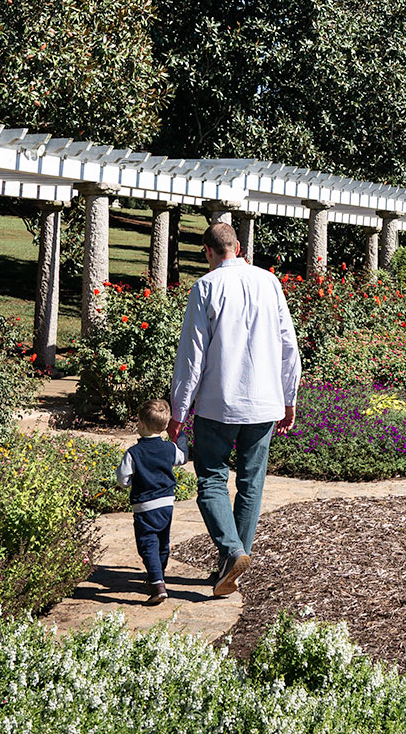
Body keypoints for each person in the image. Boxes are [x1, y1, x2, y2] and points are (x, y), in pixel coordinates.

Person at [170, 220, 300, 598]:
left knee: (211, 478)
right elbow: (288, 346)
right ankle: (232, 569)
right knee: (251, 484)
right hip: (264, 403)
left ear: (207, 251)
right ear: (239, 247)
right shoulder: (269, 282)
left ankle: (231, 553)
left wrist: (179, 412)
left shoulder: (205, 287)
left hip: (217, 403)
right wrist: (288, 398)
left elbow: (191, 357)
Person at [116, 397, 189, 606]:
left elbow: (123, 479)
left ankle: (157, 583)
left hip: (144, 505)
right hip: (167, 504)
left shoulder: (134, 453)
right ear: (165, 426)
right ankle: (158, 573)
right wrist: (180, 436)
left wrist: (125, 483)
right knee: (162, 541)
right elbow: (182, 457)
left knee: (147, 543)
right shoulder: (169, 449)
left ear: (141, 424)